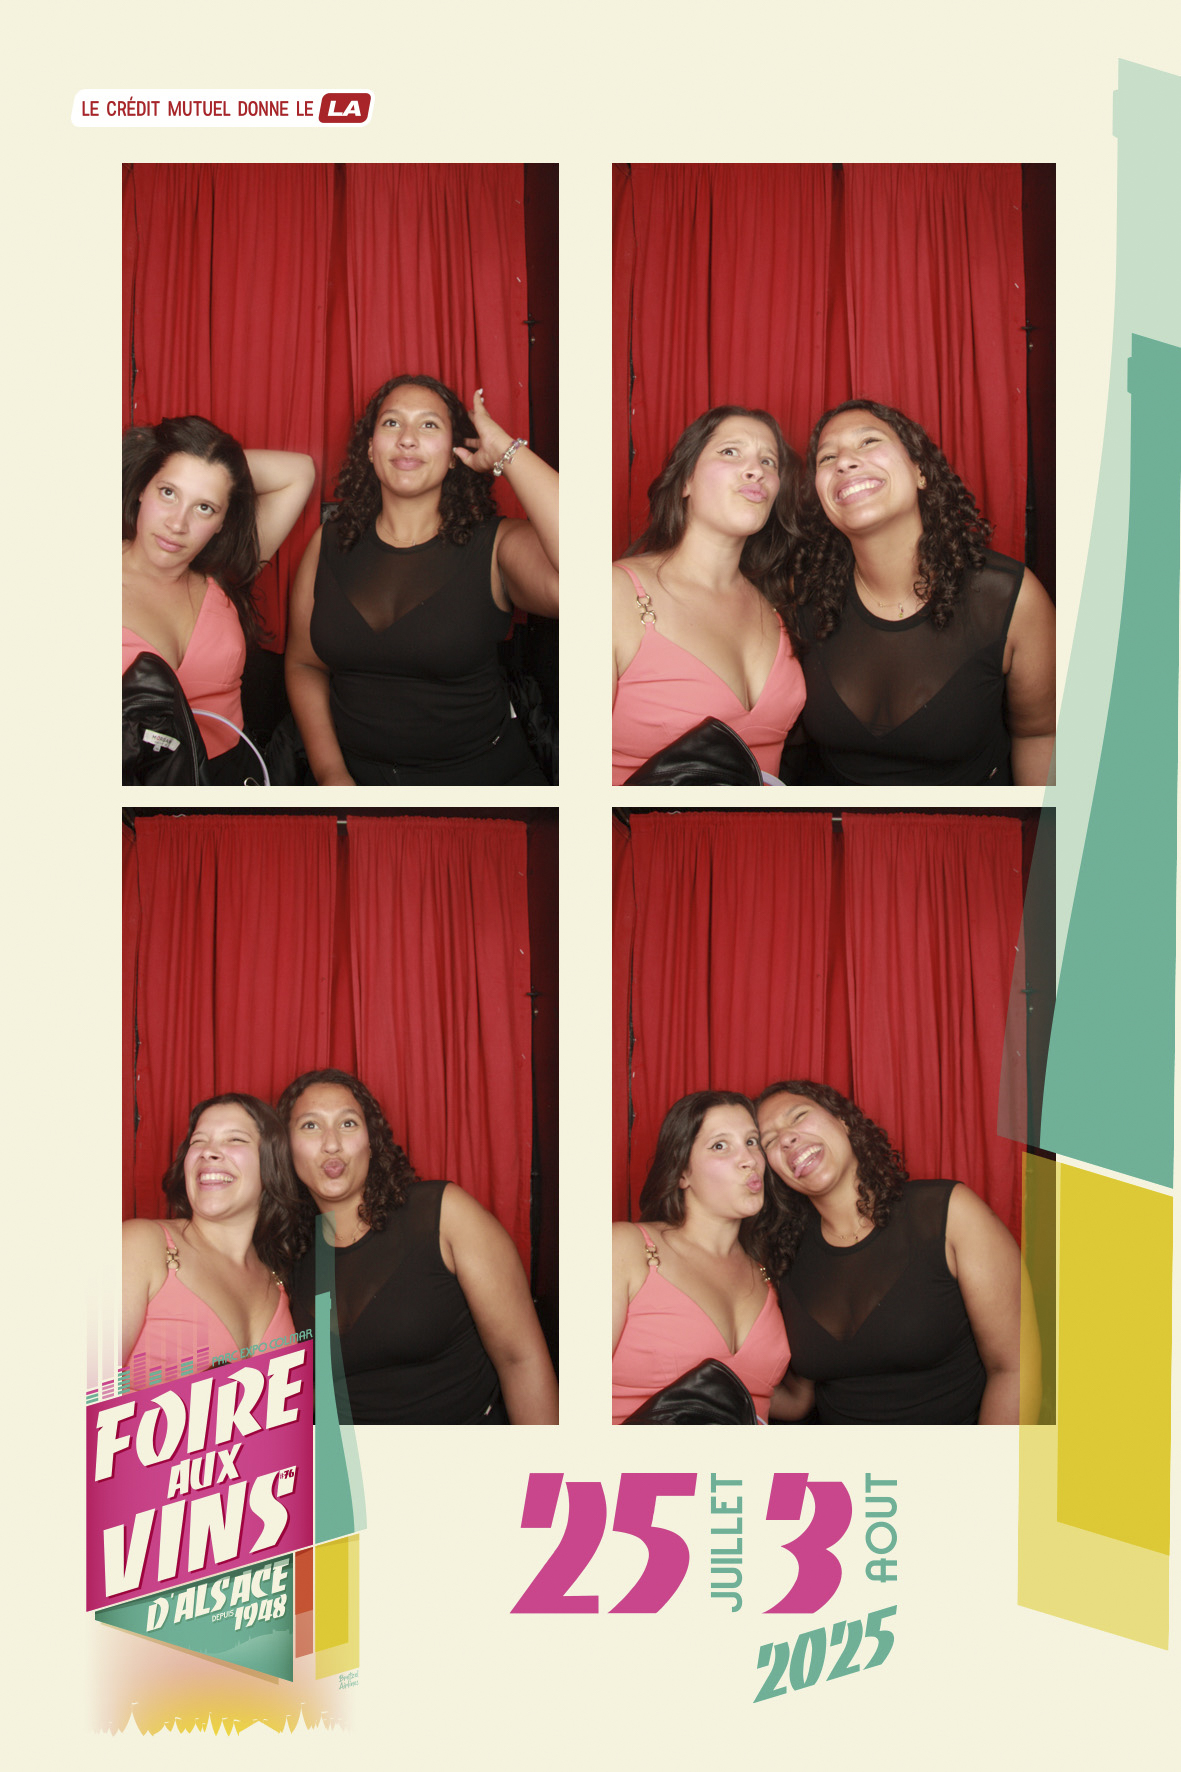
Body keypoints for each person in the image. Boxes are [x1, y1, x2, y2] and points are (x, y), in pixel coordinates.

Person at [284, 376, 559, 786]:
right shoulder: (328, 542)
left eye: (429, 425)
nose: (407, 439)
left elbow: (586, 576)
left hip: (484, 788)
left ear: (454, 455)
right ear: (370, 449)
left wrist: (507, 452)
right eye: (392, 423)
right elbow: (304, 664)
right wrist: (331, 773)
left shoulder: (496, 544)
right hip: (355, 786)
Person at [791, 399, 1056, 785]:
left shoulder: (1010, 598)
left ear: (920, 472)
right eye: (827, 458)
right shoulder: (802, 597)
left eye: (868, 442)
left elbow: (1040, 734)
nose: (844, 462)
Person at [278, 1069, 558, 1424]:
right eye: (310, 1126)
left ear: (371, 1141)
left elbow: (521, 1360)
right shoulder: (286, 1254)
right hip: (348, 1459)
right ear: (285, 1146)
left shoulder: (444, 1214)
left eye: (348, 1124)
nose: (331, 1143)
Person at [755, 1080, 1039, 1425]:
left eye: (798, 1116)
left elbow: (1014, 1370)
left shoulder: (950, 1213)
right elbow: (800, 1400)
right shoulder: (786, 1257)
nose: (787, 1138)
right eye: (770, 1141)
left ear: (843, 1121)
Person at [612, 407, 805, 784]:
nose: (756, 470)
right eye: (730, 452)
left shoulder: (780, 601)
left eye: (768, 461)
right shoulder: (615, 593)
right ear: (686, 480)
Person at [122, 416, 316, 783]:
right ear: (142, 488)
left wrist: (221, 469)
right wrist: (156, 454)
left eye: (205, 508)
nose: (177, 524)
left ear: (224, 520)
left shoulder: (224, 573)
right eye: (168, 492)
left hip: (233, 786)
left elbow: (299, 472)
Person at [612, 1092, 790, 1423]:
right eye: (720, 1145)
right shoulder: (626, 1247)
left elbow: (769, 1395)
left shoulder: (765, 1270)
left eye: (752, 1142)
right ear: (682, 1172)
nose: (749, 1159)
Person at [121, 1094, 303, 1390]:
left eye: (235, 1139)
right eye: (198, 1141)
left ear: (272, 1163)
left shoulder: (276, 1281)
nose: (209, 1152)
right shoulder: (140, 1244)